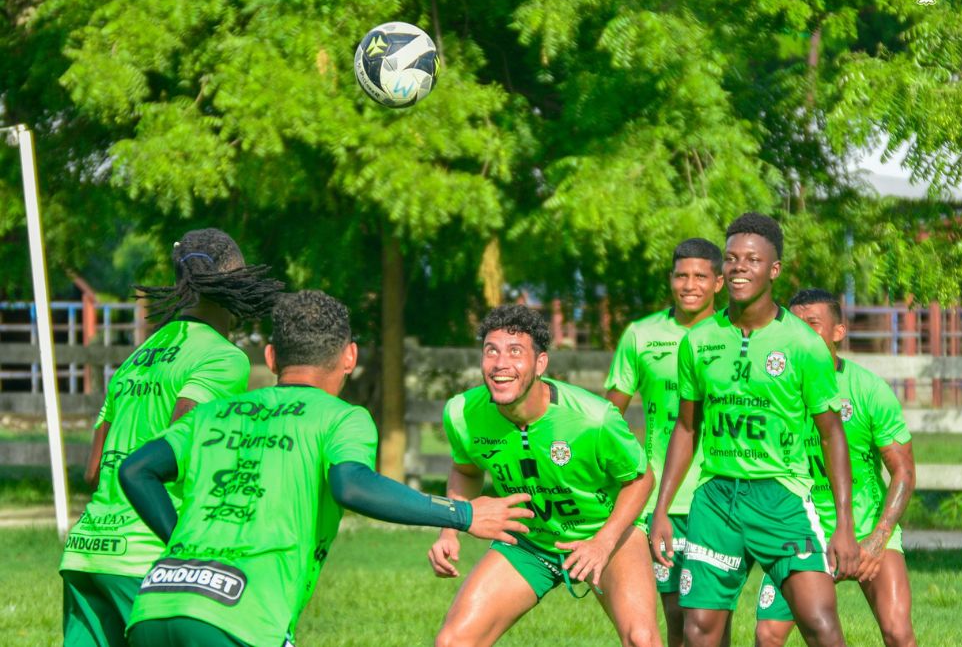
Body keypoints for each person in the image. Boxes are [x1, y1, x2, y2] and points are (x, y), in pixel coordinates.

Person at [119, 290, 534, 647]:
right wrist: (462, 513)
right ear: (350, 356)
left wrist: (183, 549)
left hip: (154, 607)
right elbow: (351, 486)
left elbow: (135, 471)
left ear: (271, 356)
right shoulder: (340, 417)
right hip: (239, 618)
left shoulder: (211, 414)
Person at [59, 228, 283, 647]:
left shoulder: (137, 357)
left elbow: (93, 471)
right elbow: (181, 448)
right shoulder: (222, 357)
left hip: (86, 551)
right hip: (144, 553)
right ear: (232, 285)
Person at [649, 212, 860, 647]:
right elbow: (687, 429)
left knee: (820, 623)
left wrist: (844, 523)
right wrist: (661, 510)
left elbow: (831, 434)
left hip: (781, 497)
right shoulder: (699, 340)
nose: (740, 266)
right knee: (700, 631)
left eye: (752, 259)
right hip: (717, 500)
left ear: (774, 269)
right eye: (731, 258)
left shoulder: (802, 344)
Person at [429, 304, 662, 647]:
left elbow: (641, 479)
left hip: (604, 535)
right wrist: (450, 528)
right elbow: (465, 471)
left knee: (642, 639)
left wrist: (603, 542)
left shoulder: (594, 419)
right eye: (490, 351)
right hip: (530, 542)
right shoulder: (462, 413)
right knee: (453, 642)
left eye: (515, 352)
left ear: (540, 363)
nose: (500, 364)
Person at [755, 288, 917, 647]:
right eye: (794, 325)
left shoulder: (868, 389)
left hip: (866, 530)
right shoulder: (773, 391)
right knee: (767, 634)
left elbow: (904, 471)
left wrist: (878, 539)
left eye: (812, 324)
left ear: (838, 332)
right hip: (800, 533)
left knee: (898, 632)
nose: (802, 333)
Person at [605, 238, 726, 647]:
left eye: (700, 276)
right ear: (671, 280)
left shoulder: (732, 335)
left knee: (709, 618)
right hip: (664, 499)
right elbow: (609, 418)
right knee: (675, 617)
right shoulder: (641, 335)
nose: (689, 285)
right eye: (681, 275)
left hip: (720, 492)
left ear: (719, 283)